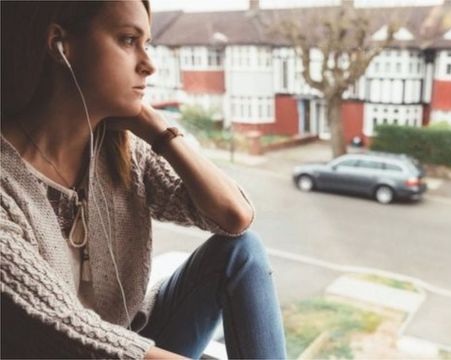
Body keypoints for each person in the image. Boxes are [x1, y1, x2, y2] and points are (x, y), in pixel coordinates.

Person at [0, 1, 287, 358]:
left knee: (241, 252)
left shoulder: (122, 151)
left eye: (147, 44)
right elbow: (65, 331)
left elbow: (233, 218)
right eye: (127, 40)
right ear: (61, 44)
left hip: (137, 337)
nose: (149, 65)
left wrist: (159, 130)